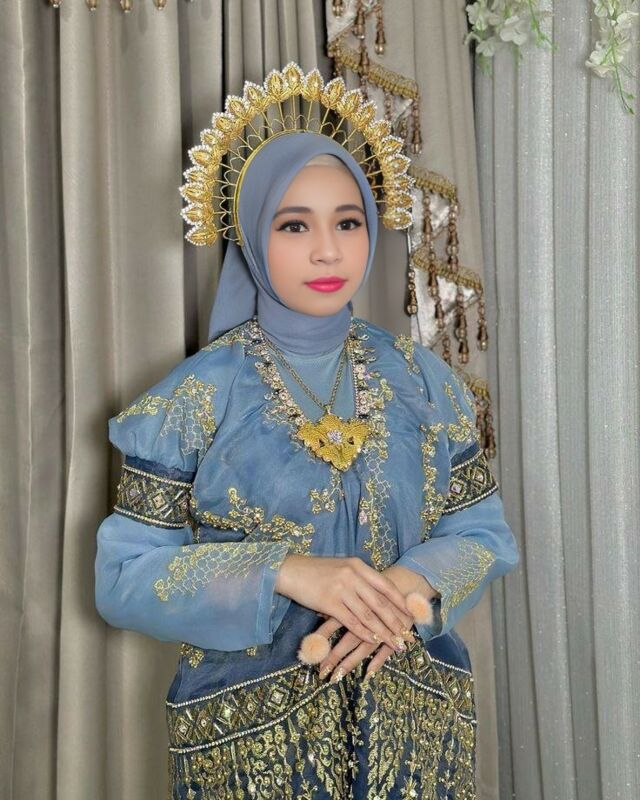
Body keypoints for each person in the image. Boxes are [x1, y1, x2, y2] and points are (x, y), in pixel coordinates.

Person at [94, 64, 519, 799]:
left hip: (415, 737)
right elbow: (123, 577)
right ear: (253, 234)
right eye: (295, 225)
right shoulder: (194, 399)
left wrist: (406, 588)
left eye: (347, 222)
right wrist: (287, 572)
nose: (329, 250)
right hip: (252, 750)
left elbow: (483, 532)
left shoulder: (423, 381)